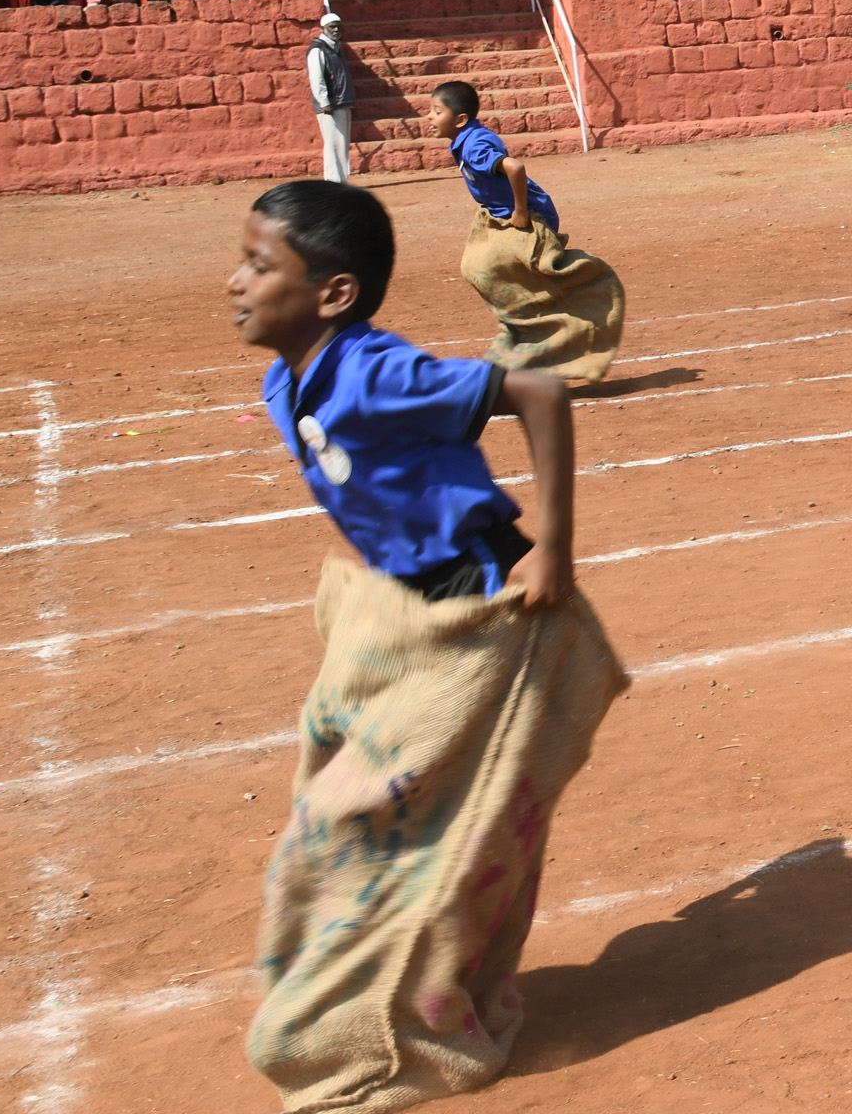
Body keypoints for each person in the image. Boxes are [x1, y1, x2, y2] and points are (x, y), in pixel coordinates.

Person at [232, 181, 628, 1112]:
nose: (235, 282)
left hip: (479, 604)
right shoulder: (286, 381)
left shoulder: (376, 373)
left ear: (333, 293)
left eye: (258, 264)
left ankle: (408, 1019)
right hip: (411, 605)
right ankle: (425, 985)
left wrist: (554, 548)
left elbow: (538, 391)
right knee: (378, 807)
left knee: (399, 817)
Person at [427, 80, 626, 381]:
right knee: (479, 266)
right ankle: (520, 330)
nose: (429, 117)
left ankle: (563, 312)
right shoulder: (465, 140)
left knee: (489, 267)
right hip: (502, 214)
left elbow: (515, 167)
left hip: (529, 215)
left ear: (460, 120)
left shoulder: (475, 146)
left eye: (436, 111)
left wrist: (520, 211)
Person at [306, 12, 354, 185]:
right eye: (331, 27)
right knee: (333, 144)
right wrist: (324, 102)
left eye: (338, 27)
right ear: (323, 29)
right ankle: (334, 181)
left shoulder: (335, 48)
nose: (335, 30)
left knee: (341, 144)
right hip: (331, 105)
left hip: (341, 103)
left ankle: (341, 180)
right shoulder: (318, 50)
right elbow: (316, 78)